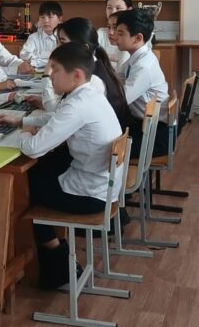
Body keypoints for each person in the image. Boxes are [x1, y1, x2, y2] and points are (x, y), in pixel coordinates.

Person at [18, 43, 125, 289]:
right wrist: (24, 122)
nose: (49, 75)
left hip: (91, 196)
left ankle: (56, 262)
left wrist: (25, 132)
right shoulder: (89, 94)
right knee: (41, 171)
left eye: (54, 69)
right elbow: (58, 118)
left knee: (24, 189)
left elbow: (33, 148)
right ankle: (56, 256)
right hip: (104, 187)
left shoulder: (78, 105)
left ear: (76, 75)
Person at [112, 8, 169, 158]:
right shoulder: (134, 59)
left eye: (120, 33)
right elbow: (117, 83)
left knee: (102, 147)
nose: (115, 36)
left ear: (137, 38)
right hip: (143, 124)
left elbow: (121, 100)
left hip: (155, 135)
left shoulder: (144, 66)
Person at [20, 1, 62, 71]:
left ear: (60, 19)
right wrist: (49, 57)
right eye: (42, 17)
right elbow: (24, 56)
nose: (46, 21)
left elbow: (61, 60)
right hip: (34, 73)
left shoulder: (63, 38)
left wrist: (36, 58)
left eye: (50, 17)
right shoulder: (33, 37)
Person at [97, 0, 132, 72]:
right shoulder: (100, 33)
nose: (113, 12)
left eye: (118, 8)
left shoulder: (134, 36)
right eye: (109, 8)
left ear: (129, 10)